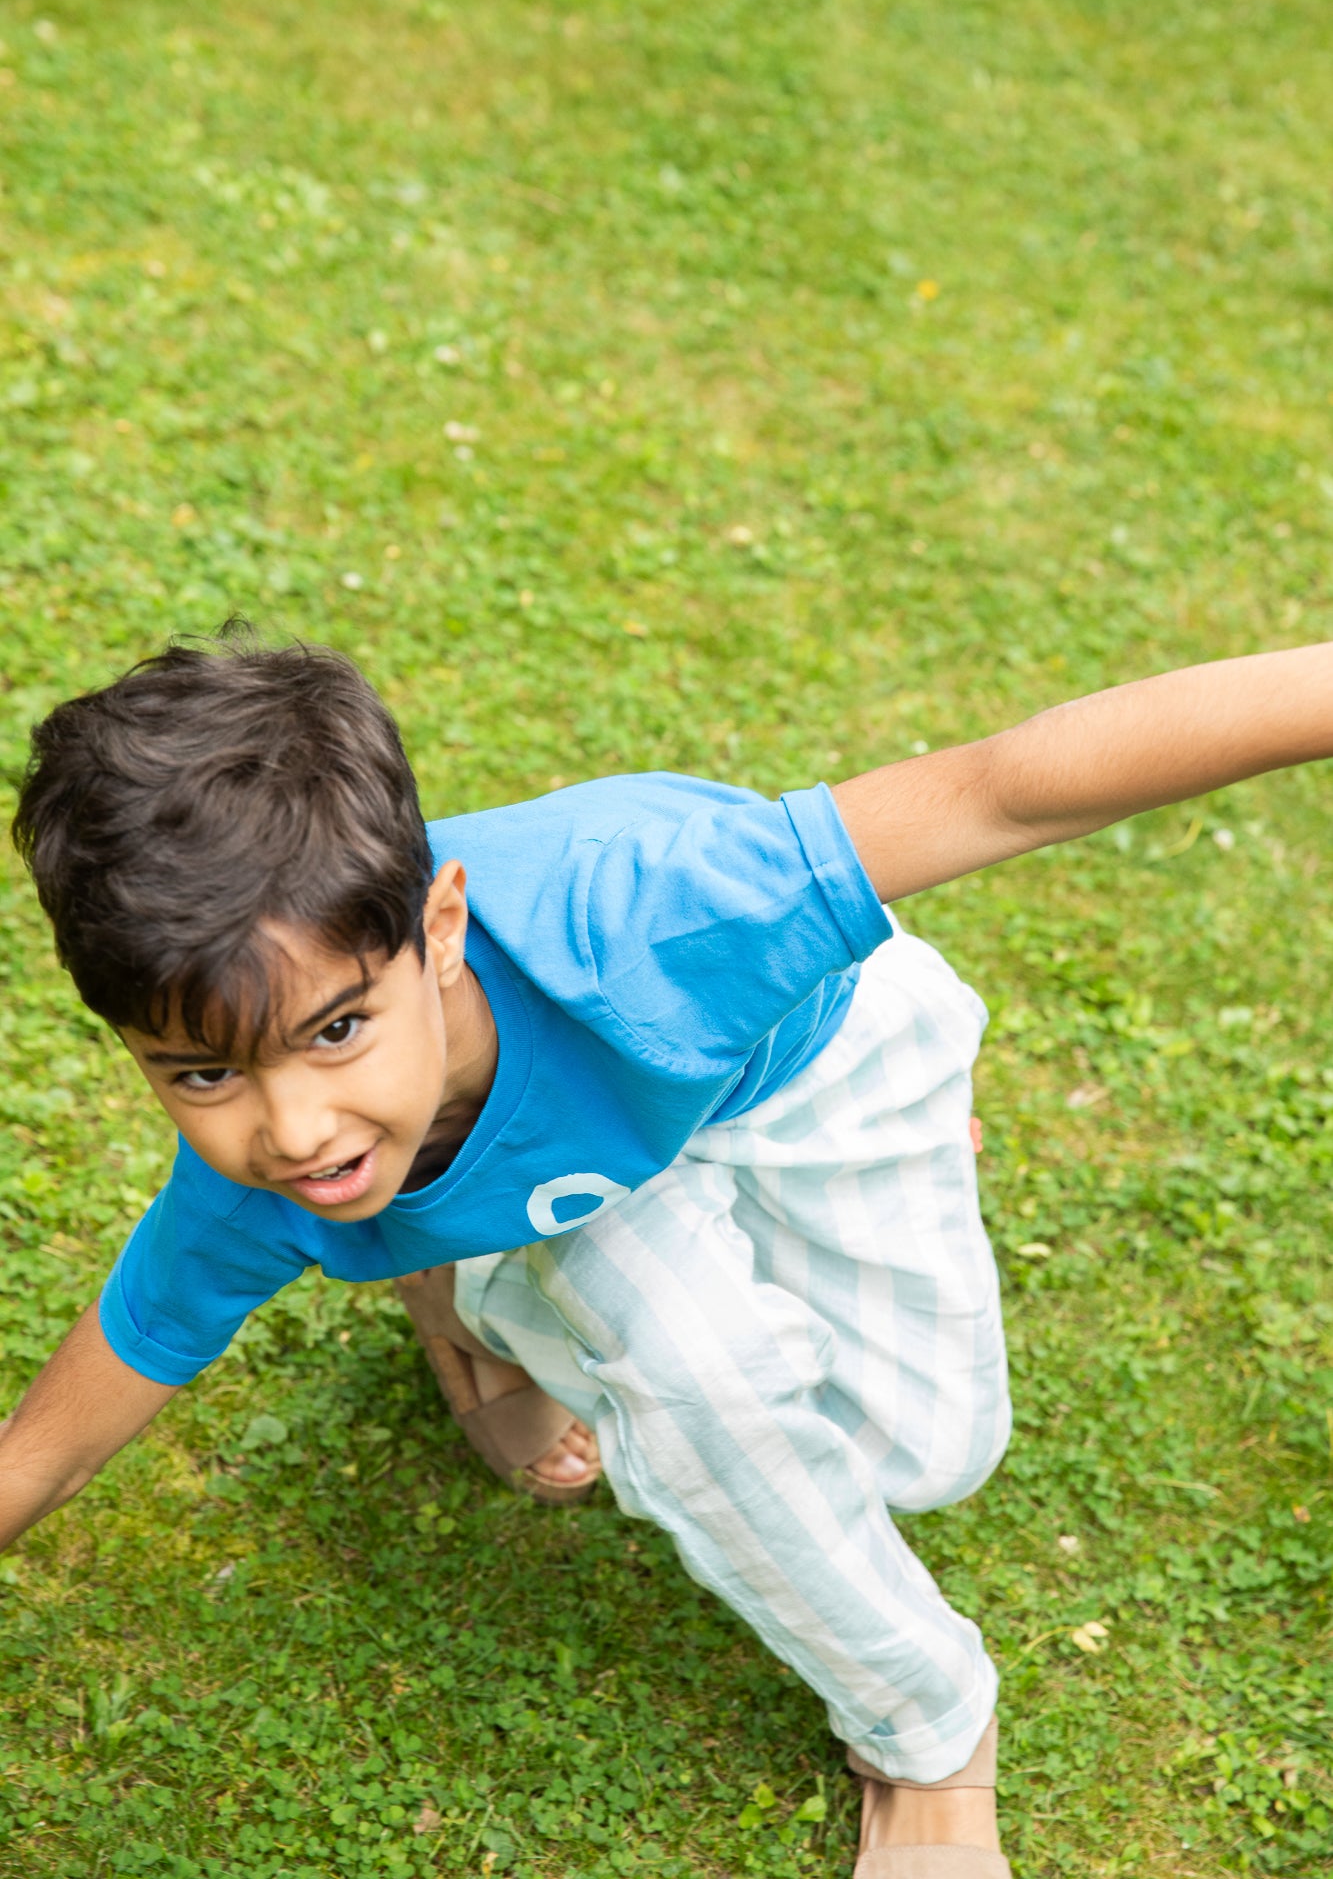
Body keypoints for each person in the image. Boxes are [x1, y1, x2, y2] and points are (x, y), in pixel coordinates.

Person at [2, 629, 1328, 1879]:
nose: (291, 1131)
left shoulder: (651, 916)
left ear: (442, 931)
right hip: (589, 1181)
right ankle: (925, 1736)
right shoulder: (259, 1181)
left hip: (806, 1071)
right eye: (197, 1070)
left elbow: (1009, 790)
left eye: (339, 1030)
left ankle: (458, 1272)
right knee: (701, 1374)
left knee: (927, 1455)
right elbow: (58, 1437)